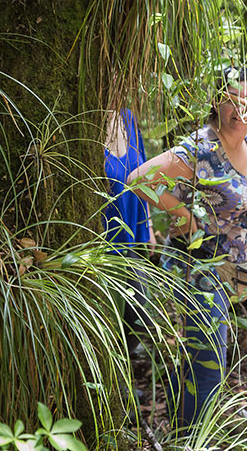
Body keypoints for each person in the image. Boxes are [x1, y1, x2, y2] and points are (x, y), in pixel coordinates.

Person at [127, 67, 247, 426]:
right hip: (200, 266)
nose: (242, 108)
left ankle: (191, 424)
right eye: (233, 99)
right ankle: (196, 435)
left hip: (232, 268)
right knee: (208, 358)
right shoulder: (201, 147)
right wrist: (184, 216)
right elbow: (138, 180)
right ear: (216, 102)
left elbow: (241, 200)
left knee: (208, 355)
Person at [103, 108, 155, 355]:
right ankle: (118, 386)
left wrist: (148, 225)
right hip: (101, 242)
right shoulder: (84, 118)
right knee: (108, 316)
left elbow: (142, 174)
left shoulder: (128, 117)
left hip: (130, 240)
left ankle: (124, 373)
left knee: (139, 314)